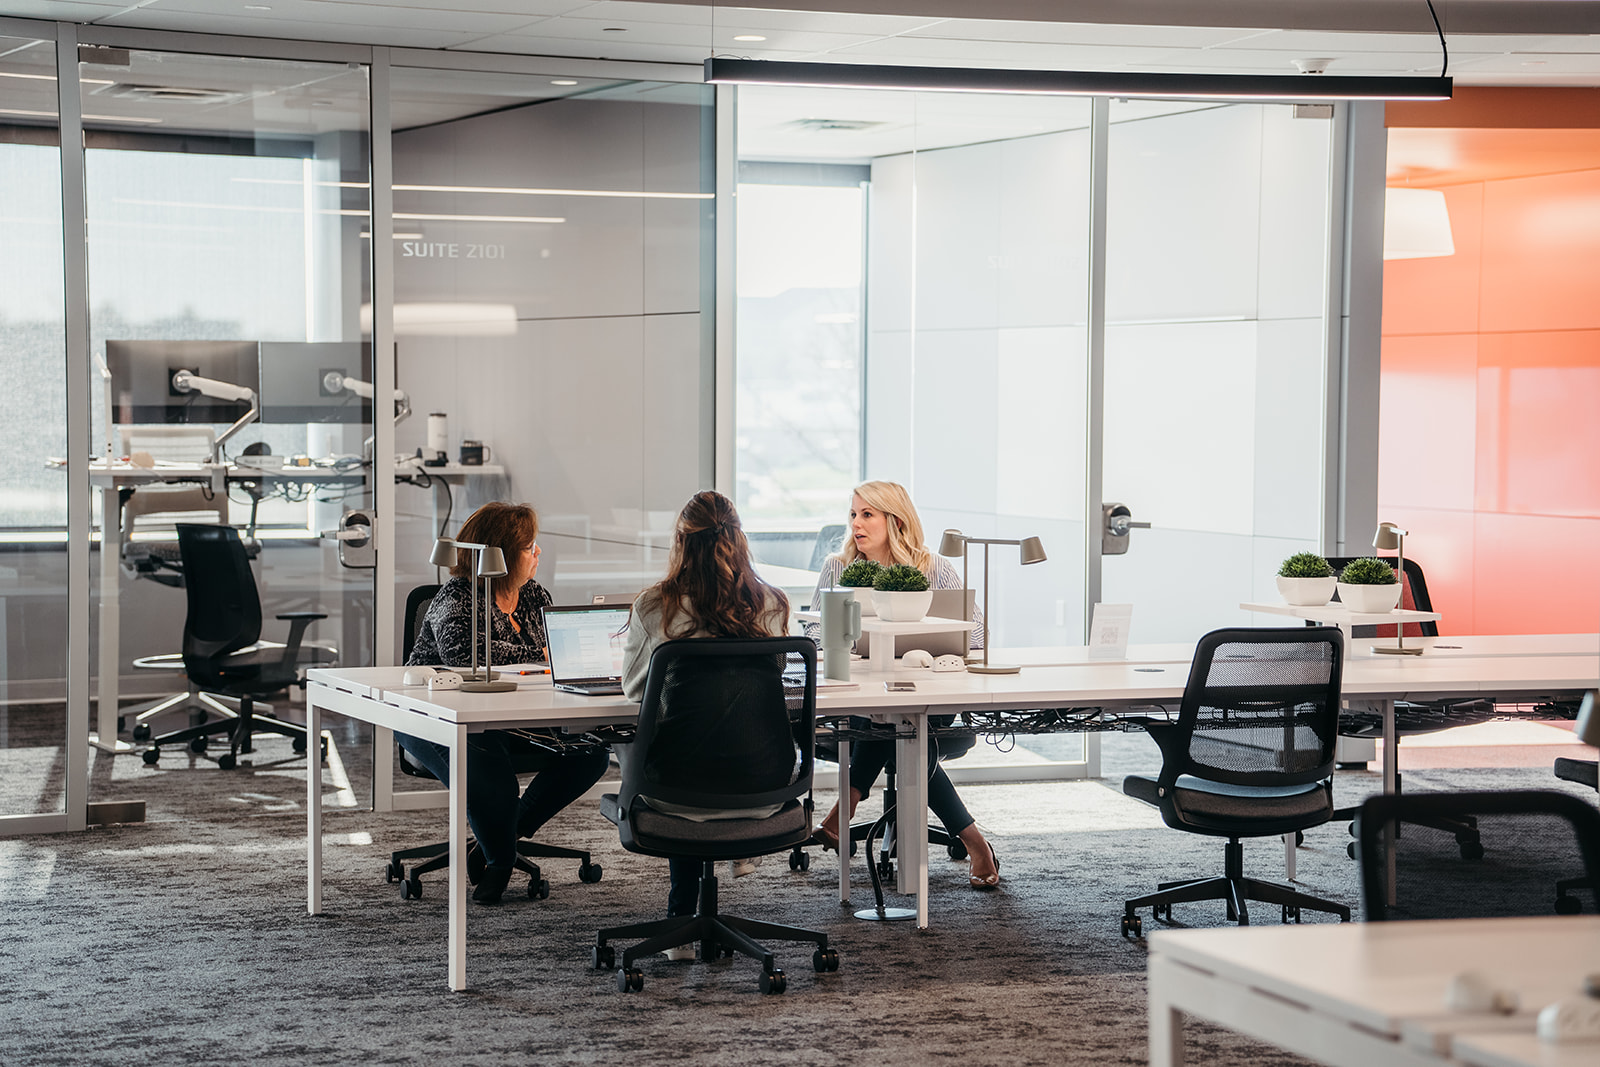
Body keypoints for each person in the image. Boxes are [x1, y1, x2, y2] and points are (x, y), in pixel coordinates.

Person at [400, 501, 610, 904]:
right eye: (530, 546)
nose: (538, 553)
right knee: (484, 758)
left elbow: (553, 651)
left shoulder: (533, 595)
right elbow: (465, 654)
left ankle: (501, 836)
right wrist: (535, 656)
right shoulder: (457, 597)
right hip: (434, 719)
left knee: (589, 752)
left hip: (513, 715)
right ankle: (498, 862)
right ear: (501, 554)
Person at [806, 480, 1001, 890]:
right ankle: (974, 841)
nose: (856, 524)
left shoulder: (931, 567)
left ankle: (844, 811)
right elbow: (816, 637)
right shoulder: (837, 567)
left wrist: (926, 642)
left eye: (867, 514)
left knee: (902, 722)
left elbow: (978, 633)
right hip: (862, 695)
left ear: (894, 520)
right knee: (893, 723)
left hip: (930, 693)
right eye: (853, 515)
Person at [620, 490, 792, 931]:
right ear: (739, 539)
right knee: (708, 743)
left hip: (676, 789)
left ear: (680, 542)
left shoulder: (655, 607)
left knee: (675, 750)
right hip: (764, 785)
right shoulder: (772, 604)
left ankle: (680, 921)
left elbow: (636, 689)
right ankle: (700, 897)